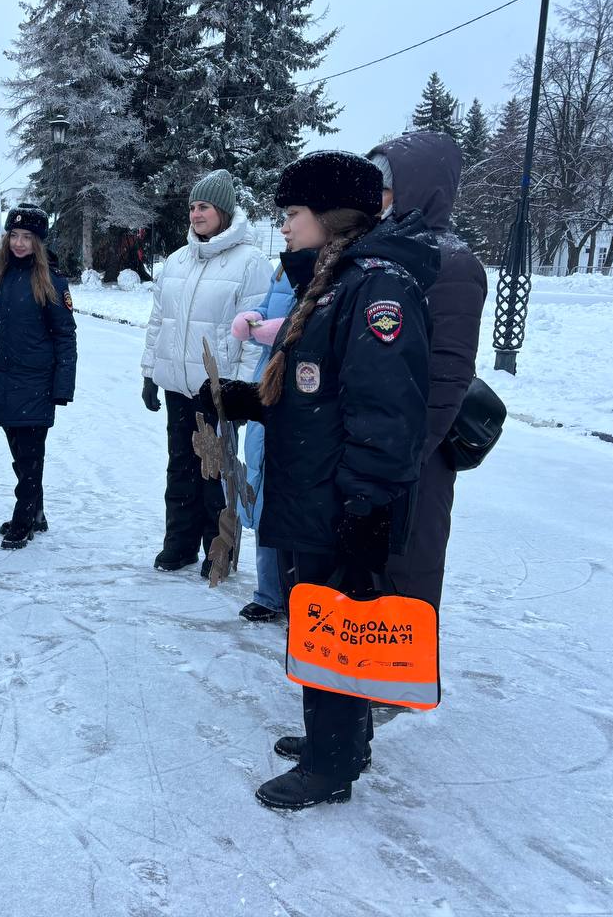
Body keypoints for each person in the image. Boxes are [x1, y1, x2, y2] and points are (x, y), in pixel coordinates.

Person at [205, 151, 437, 810]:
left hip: (343, 497)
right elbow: (319, 390)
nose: (283, 226)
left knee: (335, 626)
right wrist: (246, 400)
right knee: (321, 621)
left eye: (293, 213)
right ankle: (339, 739)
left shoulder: (376, 289)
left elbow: (387, 408)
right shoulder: (336, 280)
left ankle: (331, 767)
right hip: (318, 486)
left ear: (331, 219)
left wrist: (365, 503)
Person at [367, 131, 488, 612]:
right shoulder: (382, 246)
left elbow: (447, 375)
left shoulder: (453, 263)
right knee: (365, 575)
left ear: (418, 188)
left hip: (416, 457)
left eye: (384, 188)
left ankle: (396, 686)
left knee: (406, 575)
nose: (374, 199)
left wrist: (405, 456)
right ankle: (358, 679)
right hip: (373, 448)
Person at [140, 169, 272, 577]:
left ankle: (220, 551)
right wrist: (149, 373)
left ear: (224, 211)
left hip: (218, 389)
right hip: (179, 387)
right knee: (179, 467)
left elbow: (254, 332)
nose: (196, 214)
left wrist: (245, 390)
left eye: (205, 207)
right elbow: (158, 320)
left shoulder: (250, 263)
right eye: (193, 207)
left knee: (215, 472)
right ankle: (178, 545)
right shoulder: (178, 260)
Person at [0, 206, 77, 549]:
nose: (20, 243)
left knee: (30, 455)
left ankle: (23, 517)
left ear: (39, 242)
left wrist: (62, 385)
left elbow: (65, 335)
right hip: (0, 378)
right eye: (14, 236)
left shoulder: (51, 281)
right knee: (19, 452)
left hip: (35, 382)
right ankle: (36, 510)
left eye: (28, 237)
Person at [228, 262, 295, 621]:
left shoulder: (334, 263)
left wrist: (277, 330)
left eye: (293, 216)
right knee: (262, 485)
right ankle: (269, 592)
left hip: (301, 388)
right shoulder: (283, 268)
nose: (285, 227)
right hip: (269, 381)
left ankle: (300, 594)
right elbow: (270, 309)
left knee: (292, 497)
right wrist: (255, 318)